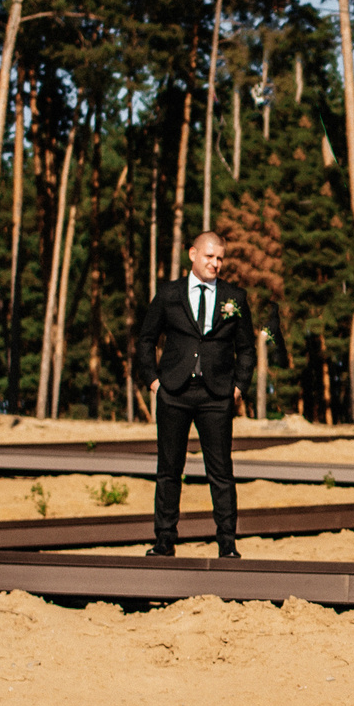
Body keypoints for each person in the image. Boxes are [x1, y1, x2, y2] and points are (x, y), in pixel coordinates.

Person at [130, 231, 254, 560]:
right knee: (169, 469)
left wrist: (239, 386)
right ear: (192, 254)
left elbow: (246, 348)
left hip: (217, 396)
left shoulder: (235, 298)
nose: (215, 263)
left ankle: (227, 542)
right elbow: (146, 340)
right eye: (209, 256)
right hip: (174, 391)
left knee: (221, 471)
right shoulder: (169, 294)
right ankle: (164, 540)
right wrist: (153, 382)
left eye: (220, 258)